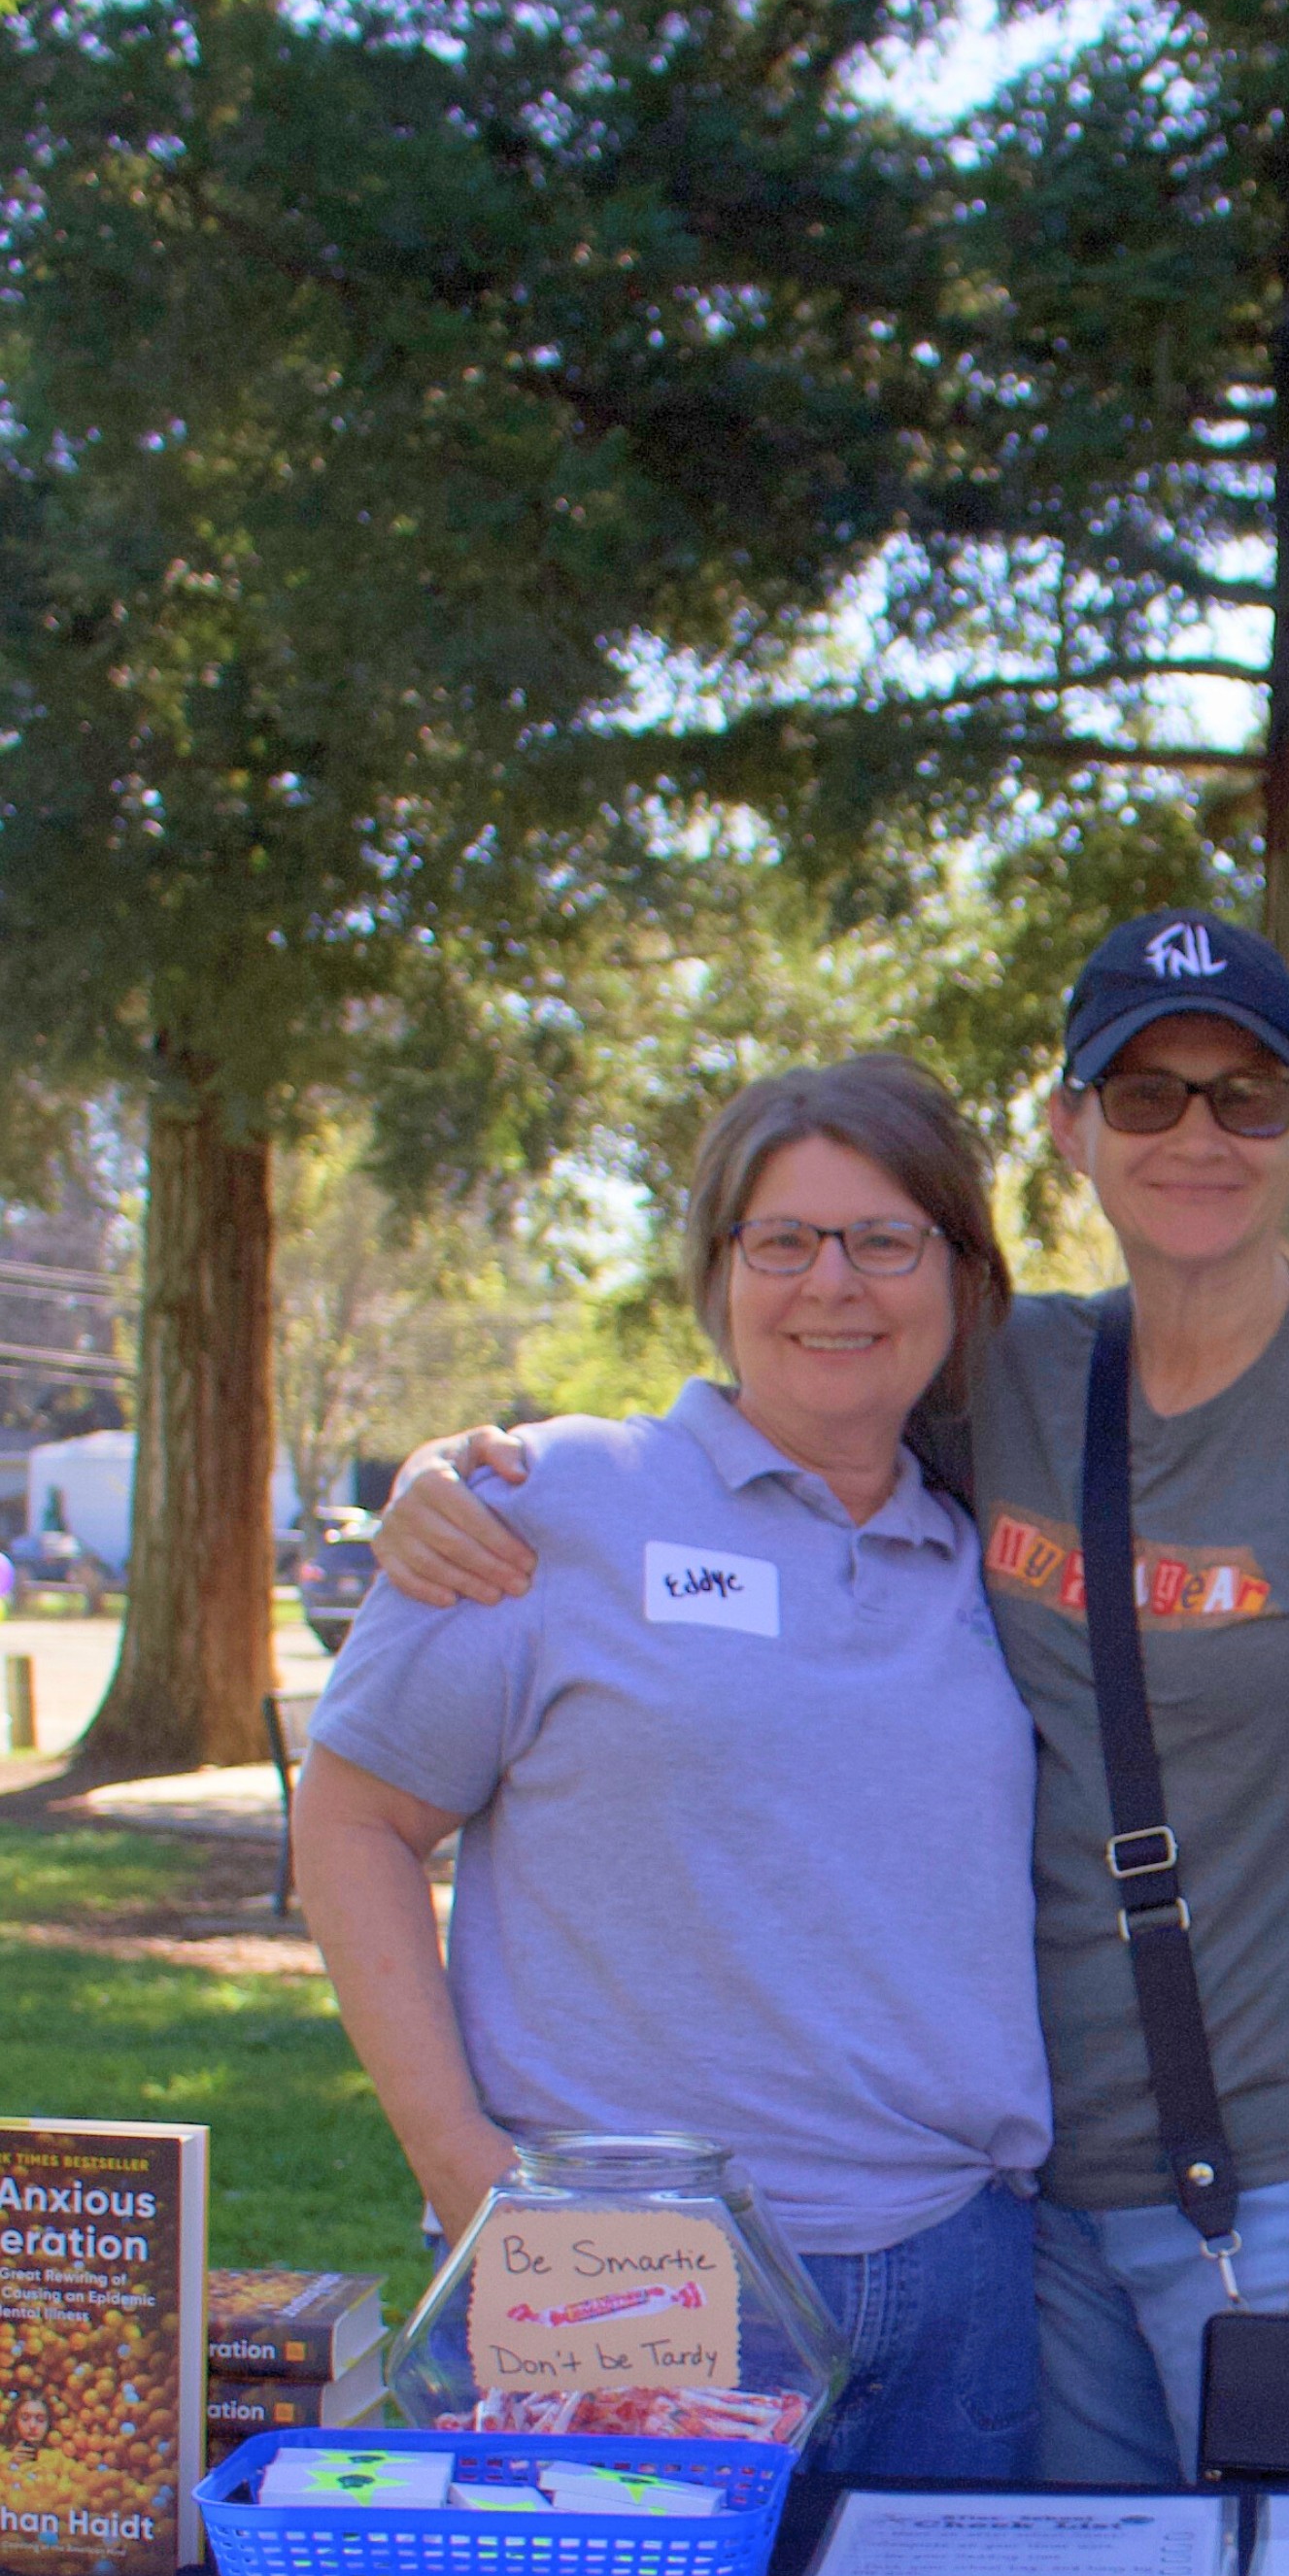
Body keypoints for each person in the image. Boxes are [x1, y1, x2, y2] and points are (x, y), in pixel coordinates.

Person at [371, 913, 1289, 2489]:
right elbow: (795, 1394)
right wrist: (443, 1480)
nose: (1195, 1134)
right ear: (1071, 1129)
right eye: (1144, 1095)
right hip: (1042, 2204)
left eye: (1244, 1095)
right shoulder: (1007, 1379)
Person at [298, 1058, 1053, 2480]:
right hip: (622, 2270)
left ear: (959, 1278)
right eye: (783, 1240)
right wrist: (460, 2168)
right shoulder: (551, 1504)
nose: (834, 1282)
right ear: (716, 1273)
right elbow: (352, 1824)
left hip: (957, 2277)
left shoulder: (992, 1550)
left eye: (886, 1240)